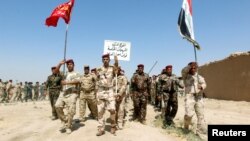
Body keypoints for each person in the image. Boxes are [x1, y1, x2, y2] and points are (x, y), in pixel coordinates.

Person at [55, 59, 81, 134]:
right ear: (66, 66)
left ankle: (68, 126)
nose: (69, 65)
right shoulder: (64, 73)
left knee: (71, 111)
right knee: (57, 106)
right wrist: (59, 64)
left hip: (72, 93)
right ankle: (65, 121)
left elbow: (78, 81)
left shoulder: (77, 73)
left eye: (71, 64)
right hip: (63, 93)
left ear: (73, 65)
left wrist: (66, 82)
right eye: (68, 64)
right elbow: (56, 72)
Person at [181, 62, 207, 137]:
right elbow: (183, 70)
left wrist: (201, 86)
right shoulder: (185, 76)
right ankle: (186, 127)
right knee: (189, 115)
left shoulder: (199, 77)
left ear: (196, 69)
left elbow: (204, 84)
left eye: (194, 68)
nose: (193, 69)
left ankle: (199, 133)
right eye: (191, 68)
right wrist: (189, 65)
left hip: (199, 97)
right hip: (190, 96)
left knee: (201, 116)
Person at [95, 53, 119, 136]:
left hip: (110, 91)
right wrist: (96, 93)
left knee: (112, 110)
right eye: (104, 59)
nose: (105, 60)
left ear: (109, 60)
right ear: (102, 60)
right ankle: (101, 129)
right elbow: (96, 80)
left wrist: (116, 60)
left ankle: (113, 127)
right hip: (101, 91)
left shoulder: (112, 68)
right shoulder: (98, 69)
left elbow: (116, 69)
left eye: (107, 59)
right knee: (100, 111)